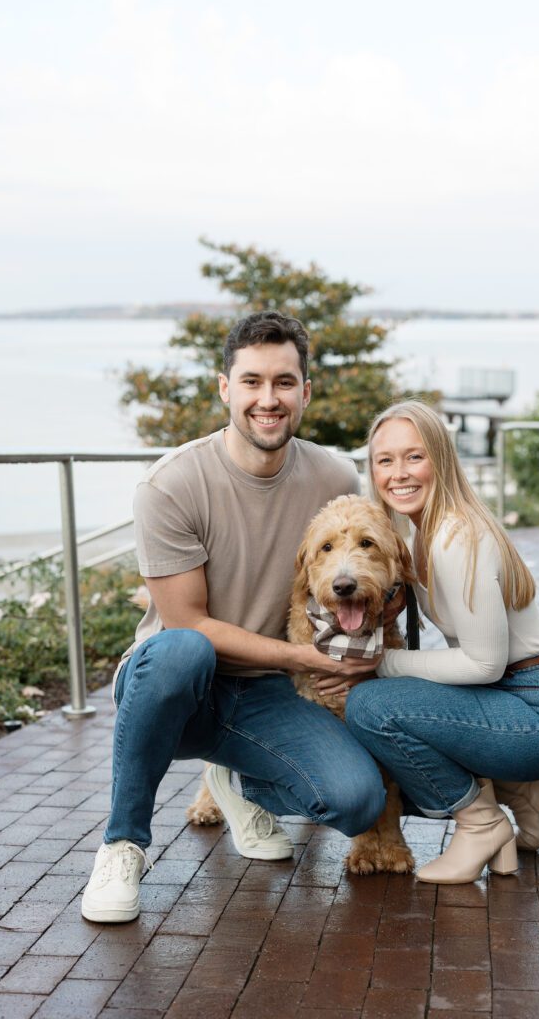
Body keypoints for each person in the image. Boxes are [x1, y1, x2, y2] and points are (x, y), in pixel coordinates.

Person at [82, 310, 386, 923]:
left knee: (357, 801)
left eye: (282, 382)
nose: (267, 400)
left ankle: (236, 778)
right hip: (175, 686)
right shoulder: (171, 485)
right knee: (182, 651)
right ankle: (122, 844)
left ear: (305, 391)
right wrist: (306, 657)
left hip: (266, 694)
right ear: (226, 388)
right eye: (251, 382)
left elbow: (364, 568)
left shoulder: (334, 476)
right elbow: (186, 622)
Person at [340, 400, 539, 885]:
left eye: (415, 457)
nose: (398, 473)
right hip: (526, 697)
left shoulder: (456, 536)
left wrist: (384, 662)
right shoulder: (419, 534)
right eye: (384, 460)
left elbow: (483, 664)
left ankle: (481, 822)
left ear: (442, 459)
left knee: (370, 707)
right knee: (403, 706)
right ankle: (526, 791)